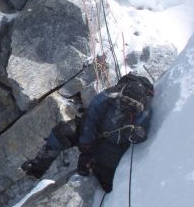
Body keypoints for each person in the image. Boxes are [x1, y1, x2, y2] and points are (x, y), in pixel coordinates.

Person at [20, 73, 153, 192]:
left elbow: (141, 133)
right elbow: (90, 119)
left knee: (104, 176)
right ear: (121, 93)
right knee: (62, 132)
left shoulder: (144, 113)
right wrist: (87, 148)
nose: (126, 105)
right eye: (125, 100)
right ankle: (37, 167)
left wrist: (136, 134)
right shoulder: (108, 95)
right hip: (92, 132)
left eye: (131, 104)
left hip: (111, 145)